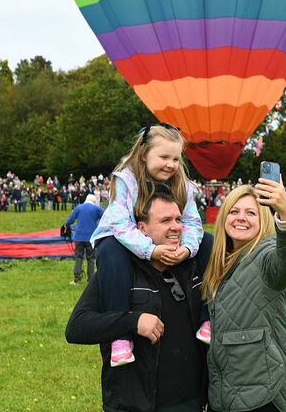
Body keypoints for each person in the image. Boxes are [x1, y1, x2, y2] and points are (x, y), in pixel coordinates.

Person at [65, 193, 211, 412]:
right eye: (165, 221)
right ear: (141, 228)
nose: (176, 227)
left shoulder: (192, 266)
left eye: (178, 220)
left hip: (190, 402)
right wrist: (134, 321)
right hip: (135, 403)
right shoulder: (119, 271)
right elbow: (77, 327)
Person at [90, 123, 204, 367]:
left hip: (165, 241)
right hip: (123, 241)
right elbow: (121, 225)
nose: (171, 164)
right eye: (163, 157)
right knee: (111, 249)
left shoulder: (181, 184)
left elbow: (194, 223)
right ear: (144, 154)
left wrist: (186, 249)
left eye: (175, 158)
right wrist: (150, 250)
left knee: (210, 242)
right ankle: (120, 337)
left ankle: (207, 318)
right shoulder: (127, 180)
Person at [202, 179, 286, 412]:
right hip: (224, 394)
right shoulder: (219, 261)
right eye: (234, 211)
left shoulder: (266, 254)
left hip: (263, 393)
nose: (241, 218)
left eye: (251, 213)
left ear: (264, 220)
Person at [64, 193, 104, 284]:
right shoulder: (96, 209)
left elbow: (70, 220)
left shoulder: (79, 207)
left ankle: (77, 279)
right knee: (91, 258)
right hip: (91, 238)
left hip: (78, 237)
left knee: (78, 257)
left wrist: (66, 225)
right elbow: (106, 216)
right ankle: (91, 279)